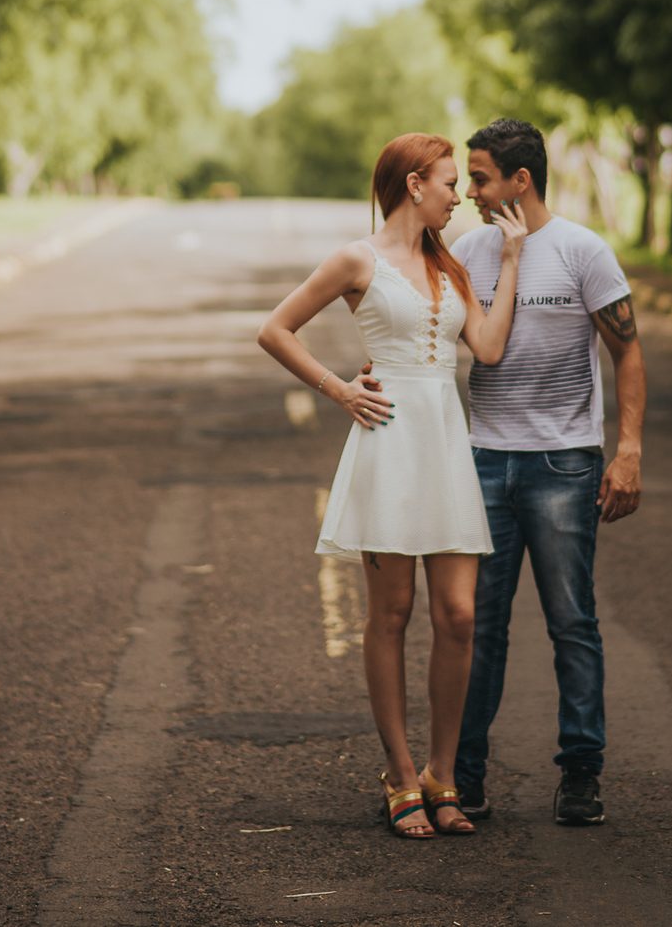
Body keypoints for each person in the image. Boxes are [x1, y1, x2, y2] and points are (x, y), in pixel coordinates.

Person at [257, 132, 527, 839]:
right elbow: (276, 329)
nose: (459, 193)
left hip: (445, 440)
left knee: (460, 615)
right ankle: (401, 775)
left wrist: (515, 258)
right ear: (413, 184)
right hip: (389, 438)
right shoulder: (358, 259)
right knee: (393, 613)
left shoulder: (454, 264)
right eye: (448, 182)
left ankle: (444, 774)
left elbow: (490, 348)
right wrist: (339, 390)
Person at [451, 118, 646, 827]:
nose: (470, 192)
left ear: (519, 180)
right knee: (477, 626)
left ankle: (582, 773)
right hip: (483, 460)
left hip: (564, 464)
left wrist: (628, 451)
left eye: (479, 177)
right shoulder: (466, 250)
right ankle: (463, 778)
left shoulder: (583, 252)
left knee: (572, 622)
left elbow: (626, 350)